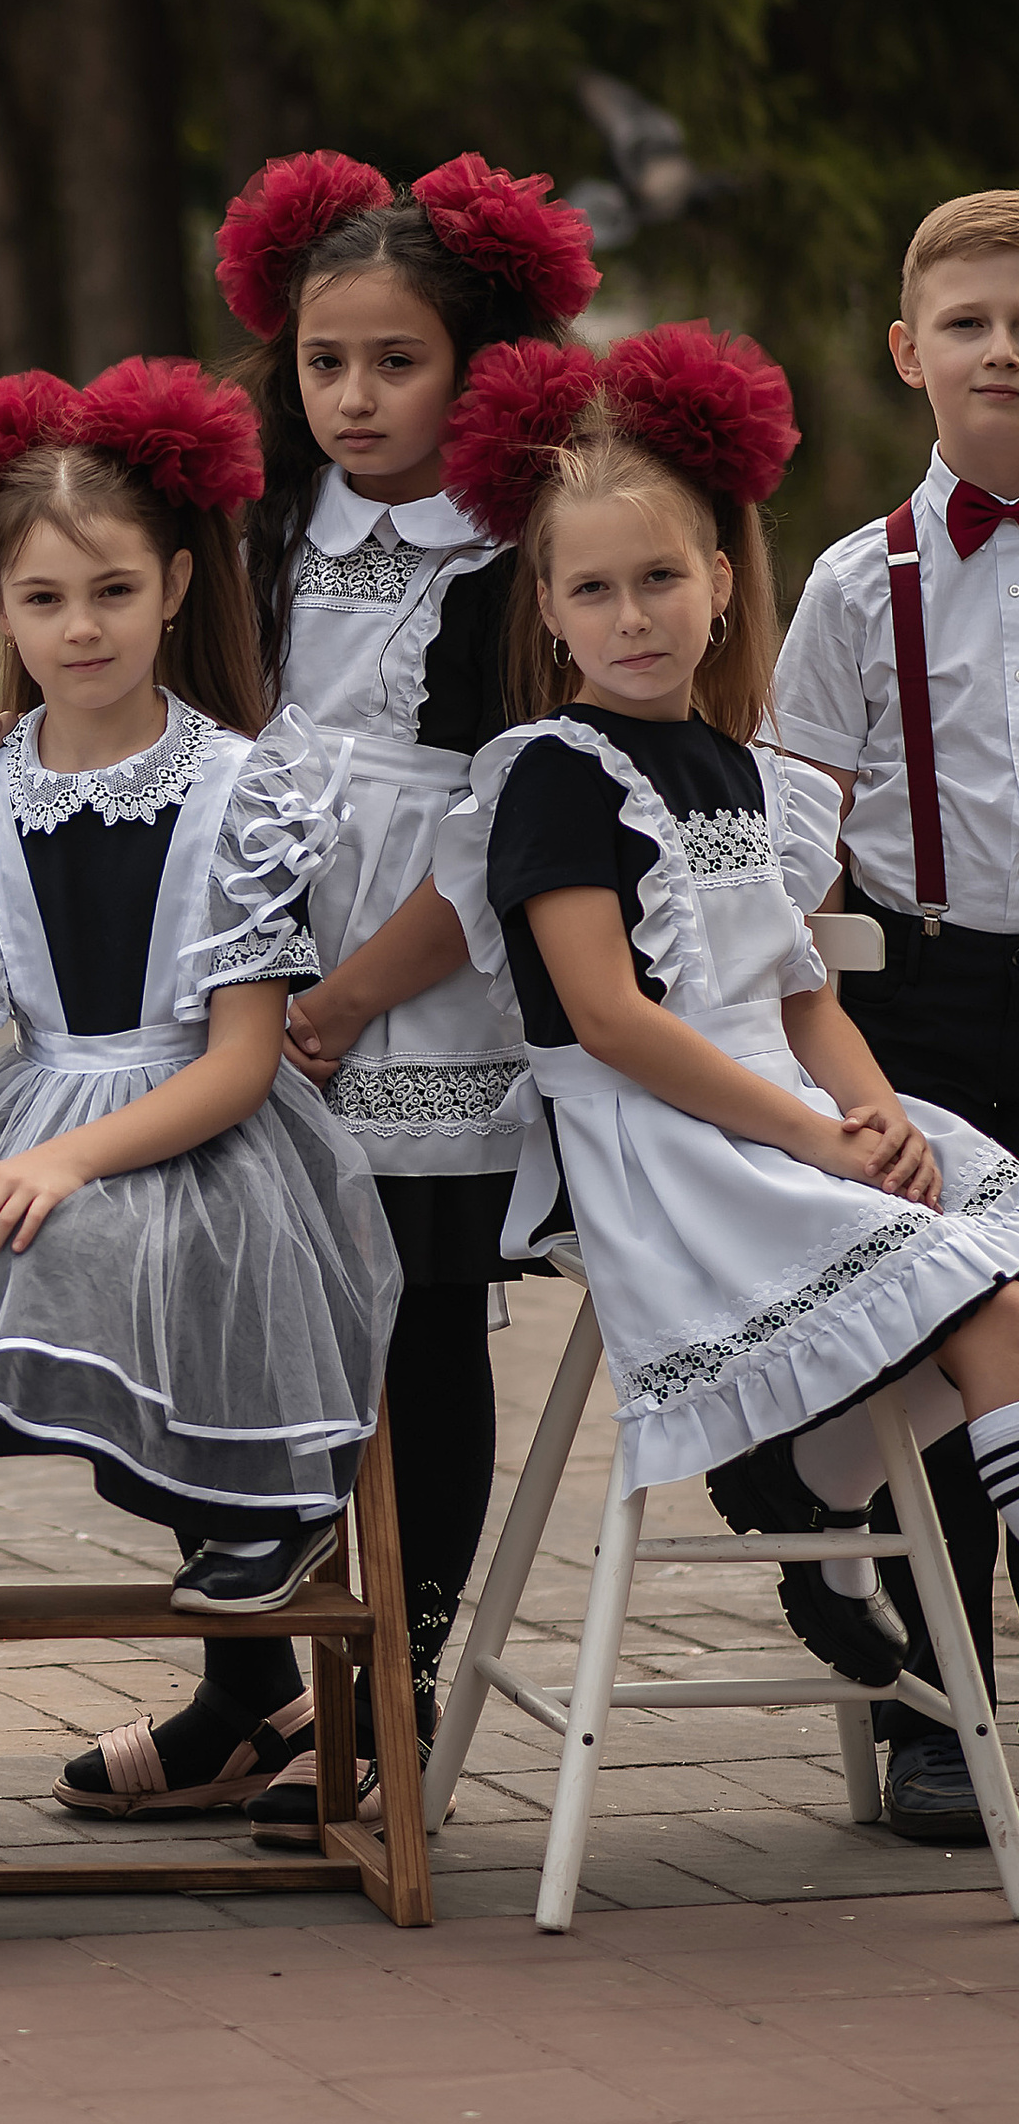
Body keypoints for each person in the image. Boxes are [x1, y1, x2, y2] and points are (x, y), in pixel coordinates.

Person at [0, 154, 601, 1839]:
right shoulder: (262, 525)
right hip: (228, 973)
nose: (356, 397)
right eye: (325, 361)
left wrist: (353, 995)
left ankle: (396, 1695)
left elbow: (507, 821)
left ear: (475, 366)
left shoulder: (515, 551)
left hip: (416, 990)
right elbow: (140, 697)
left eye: (398, 362)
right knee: (206, 1292)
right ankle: (251, 1693)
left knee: (414, 1326)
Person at [0, 360, 400, 1957]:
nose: (84, 627)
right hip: (5, 1121)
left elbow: (244, 1060)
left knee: (95, 1236)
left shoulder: (248, 791)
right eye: (45, 599)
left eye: (115, 591)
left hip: (198, 1136)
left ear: (177, 586)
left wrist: (64, 1169)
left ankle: (256, 1502)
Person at [429, 325, 1019, 1734]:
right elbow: (610, 1019)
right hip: (663, 1143)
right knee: (988, 1305)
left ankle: (805, 1489)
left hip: (781, 1109)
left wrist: (876, 1117)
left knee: (996, 1254)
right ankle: (812, 1498)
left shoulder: (747, 772)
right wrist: (818, 1140)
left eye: (660, 578)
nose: (632, 617)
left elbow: (799, 991)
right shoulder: (555, 775)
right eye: (593, 589)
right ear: (548, 611)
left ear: (721, 582)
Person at [771, 190, 1019, 1840]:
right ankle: (942, 1703)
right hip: (924, 994)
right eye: (970, 323)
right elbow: (793, 843)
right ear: (907, 351)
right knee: (944, 1314)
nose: (1004, 351)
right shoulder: (859, 585)